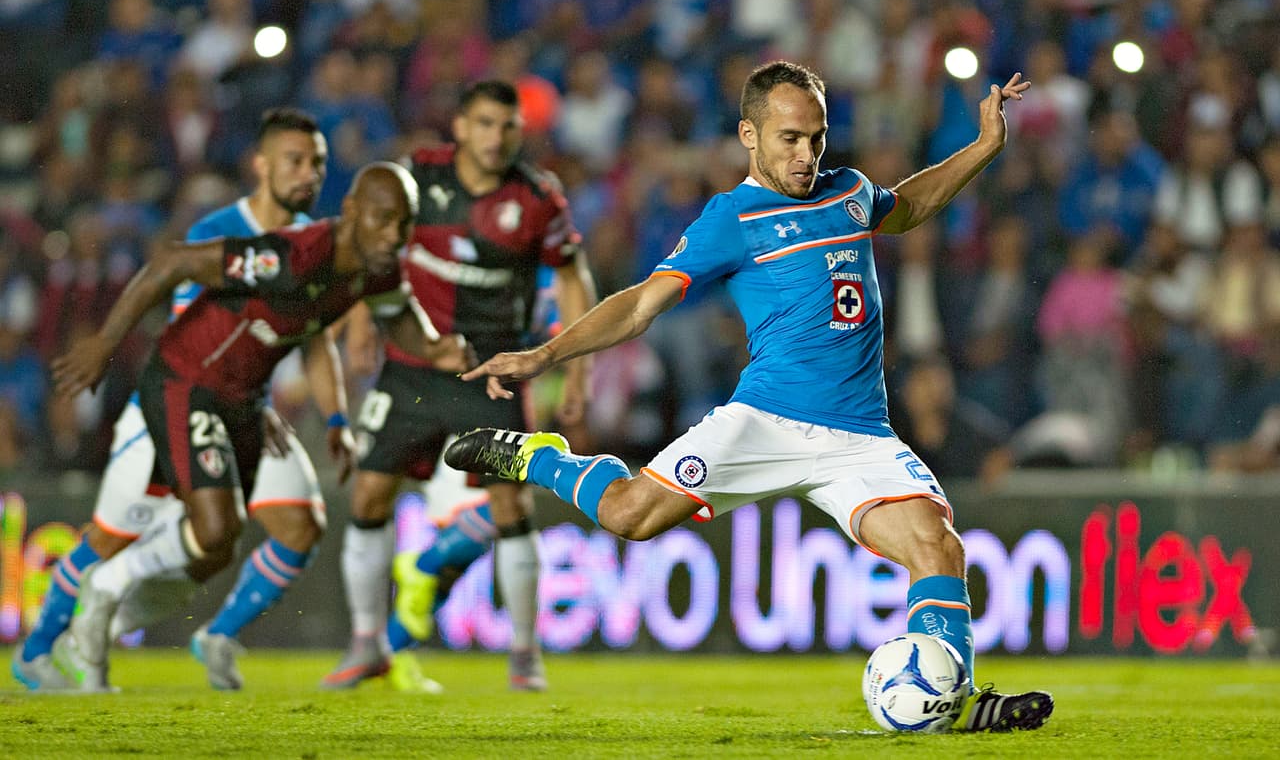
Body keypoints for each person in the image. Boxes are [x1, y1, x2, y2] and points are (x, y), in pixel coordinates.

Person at [444, 60, 1054, 732]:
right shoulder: (732, 217)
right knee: (627, 515)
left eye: (817, 137)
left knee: (940, 551)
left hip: (861, 436)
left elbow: (911, 208)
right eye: (789, 138)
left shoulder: (848, 191)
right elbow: (642, 304)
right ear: (749, 135)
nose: (806, 154)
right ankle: (540, 458)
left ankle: (957, 700)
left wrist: (982, 147)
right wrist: (547, 352)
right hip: (767, 420)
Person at [48, 161, 473, 692]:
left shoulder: (376, 268)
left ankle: (106, 624)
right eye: (384, 220)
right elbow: (175, 262)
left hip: (245, 400)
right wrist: (106, 343)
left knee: (216, 549)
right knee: (214, 529)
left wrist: (440, 348)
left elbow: (402, 319)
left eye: (405, 224)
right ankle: (106, 588)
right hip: (187, 381)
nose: (395, 235)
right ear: (352, 212)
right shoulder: (291, 257)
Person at [11, 108, 363, 692]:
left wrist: (334, 416)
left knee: (290, 527)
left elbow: (318, 340)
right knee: (111, 535)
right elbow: (187, 339)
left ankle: (203, 633)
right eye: (295, 161)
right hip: (180, 399)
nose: (308, 175)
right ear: (261, 164)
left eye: (317, 164)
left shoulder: (315, 244)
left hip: (247, 411)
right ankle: (39, 651)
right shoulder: (217, 232)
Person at [324, 80, 595, 693]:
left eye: (508, 126)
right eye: (484, 124)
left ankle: (525, 656)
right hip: (411, 367)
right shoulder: (418, 178)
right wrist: (365, 315)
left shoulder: (537, 199)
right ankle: (367, 644)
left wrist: (578, 367)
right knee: (368, 496)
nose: (495, 138)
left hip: (490, 377)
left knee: (510, 507)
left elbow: (573, 276)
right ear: (460, 125)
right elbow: (378, 246)